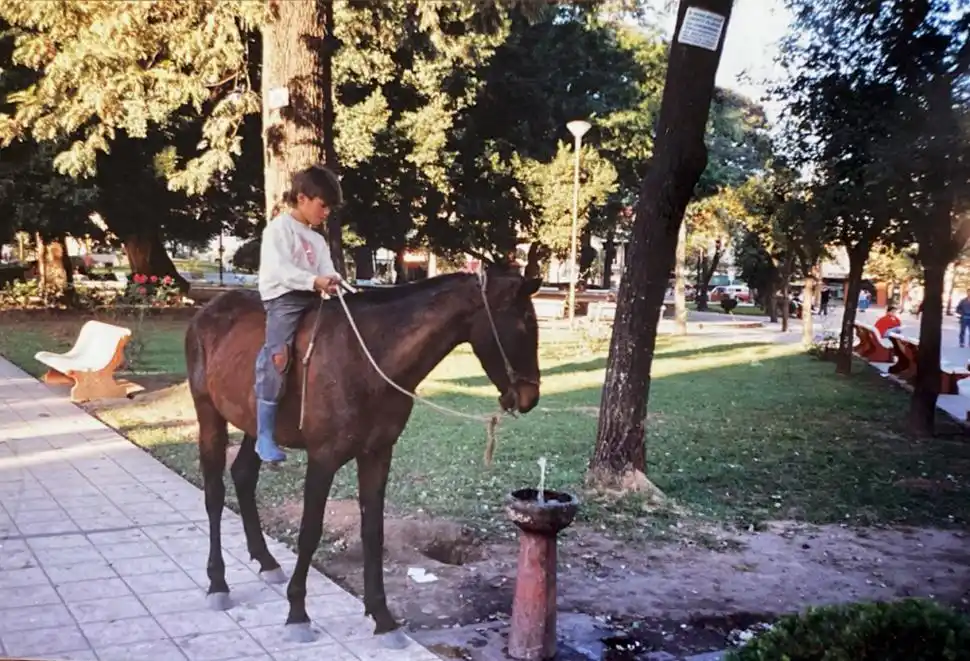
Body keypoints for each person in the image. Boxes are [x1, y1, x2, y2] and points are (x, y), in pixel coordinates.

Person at [254, 164, 344, 463]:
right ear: (303, 198)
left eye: (329, 208)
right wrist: (313, 281)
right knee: (278, 356)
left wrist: (332, 280)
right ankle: (264, 434)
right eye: (323, 205)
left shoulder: (317, 240)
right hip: (284, 299)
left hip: (312, 298)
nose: (326, 212)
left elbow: (325, 269)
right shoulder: (279, 229)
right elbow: (280, 270)